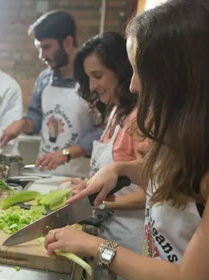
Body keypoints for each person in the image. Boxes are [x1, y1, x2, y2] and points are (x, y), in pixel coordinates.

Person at [44, 1, 209, 280]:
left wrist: (96, 246)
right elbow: (172, 178)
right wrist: (120, 170)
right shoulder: (191, 131)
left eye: (140, 70)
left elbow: (190, 276)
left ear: (180, 73)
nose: (133, 85)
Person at [71, 31, 148, 280]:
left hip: (132, 241)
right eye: (89, 77)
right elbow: (115, 176)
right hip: (109, 237)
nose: (92, 86)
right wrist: (91, 186)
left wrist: (101, 201)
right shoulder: (115, 112)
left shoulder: (141, 119)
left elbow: (153, 193)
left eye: (97, 76)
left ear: (122, 71)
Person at [0, 10, 103, 178]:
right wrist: (22, 124)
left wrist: (66, 154)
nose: (42, 55)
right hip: (44, 175)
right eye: (39, 48)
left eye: (47, 47)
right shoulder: (44, 78)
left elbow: (102, 132)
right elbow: (36, 119)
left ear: (68, 42)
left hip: (79, 178)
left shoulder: (89, 80)